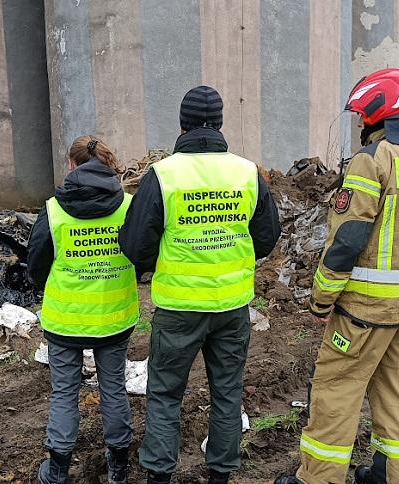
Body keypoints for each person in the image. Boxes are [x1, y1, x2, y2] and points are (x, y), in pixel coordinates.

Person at [276, 68, 399, 484]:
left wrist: (322, 298)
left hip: (364, 310)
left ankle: (318, 478)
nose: (359, 123)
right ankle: (392, 475)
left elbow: (346, 240)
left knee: (336, 392)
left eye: (361, 115)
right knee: (396, 391)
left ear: (378, 112)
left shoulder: (373, 160)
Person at [119, 85, 281, 484]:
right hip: (231, 307)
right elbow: (267, 237)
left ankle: (159, 476)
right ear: (221, 123)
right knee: (227, 393)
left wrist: (166, 260)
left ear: (182, 124)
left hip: (178, 308)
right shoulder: (246, 173)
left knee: (165, 395)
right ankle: (220, 476)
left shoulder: (163, 174)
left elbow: (137, 245)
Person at [28, 135, 138, 484]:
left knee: (64, 393)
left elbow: (36, 265)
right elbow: (143, 253)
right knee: (114, 390)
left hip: (65, 321)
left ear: (72, 166)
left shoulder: (52, 210)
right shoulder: (129, 206)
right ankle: (118, 469)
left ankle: (57, 471)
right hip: (114, 318)